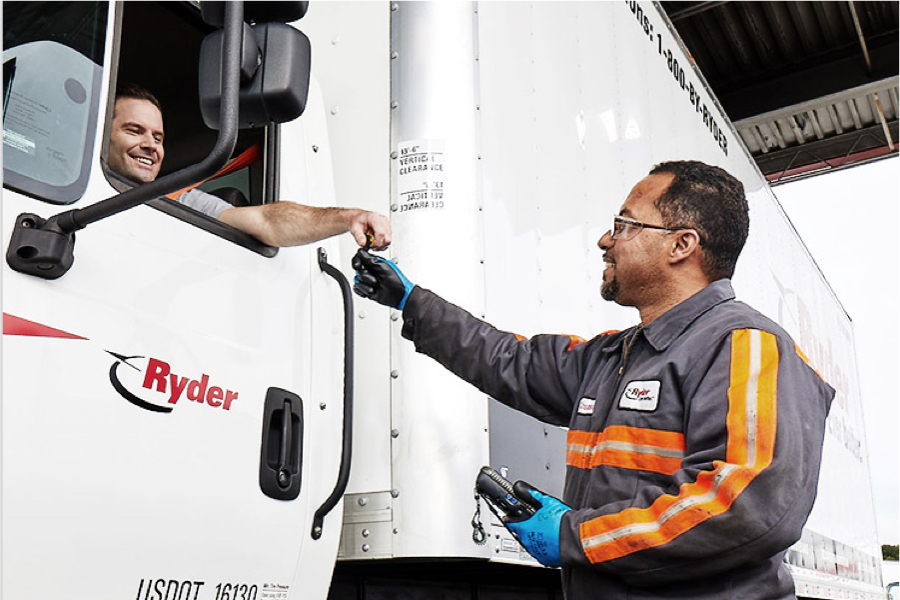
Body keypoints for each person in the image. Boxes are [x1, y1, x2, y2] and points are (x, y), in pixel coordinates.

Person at [352, 161, 834, 600]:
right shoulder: (613, 356)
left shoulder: (745, 346)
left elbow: (742, 506)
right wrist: (410, 301)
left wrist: (573, 535)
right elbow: (508, 359)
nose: (606, 240)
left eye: (624, 224)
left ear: (681, 244)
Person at [105, 84, 390, 249]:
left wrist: (350, 217)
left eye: (158, 137)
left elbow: (267, 221)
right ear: (104, 135)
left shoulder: (181, 200)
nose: (150, 145)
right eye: (134, 130)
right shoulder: (76, 191)